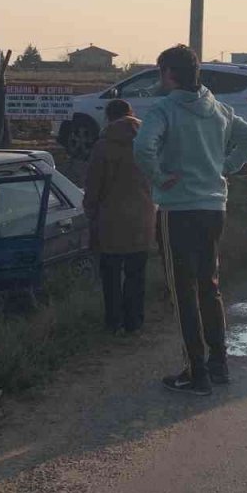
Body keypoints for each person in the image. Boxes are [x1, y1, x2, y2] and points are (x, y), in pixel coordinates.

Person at [134, 45, 247, 396]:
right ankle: (218, 365)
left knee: (184, 291)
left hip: (178, 210)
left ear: (168, 74)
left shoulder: (163, 109)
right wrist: (225, 167)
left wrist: (160, 179)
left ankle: (196, 373)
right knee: (210, 285)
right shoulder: (218, 108)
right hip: (213, 208)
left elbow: (142, 148)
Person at [84, 100, 156, 335]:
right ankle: (134, 322)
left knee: (111, 276)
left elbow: (93, 186)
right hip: (143, 217)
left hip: (110, 220)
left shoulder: (102, 147)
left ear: (108, 118)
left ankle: (113, 323)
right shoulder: (148, 143)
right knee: (136, 274)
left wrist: (90, 212)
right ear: (132, 115)